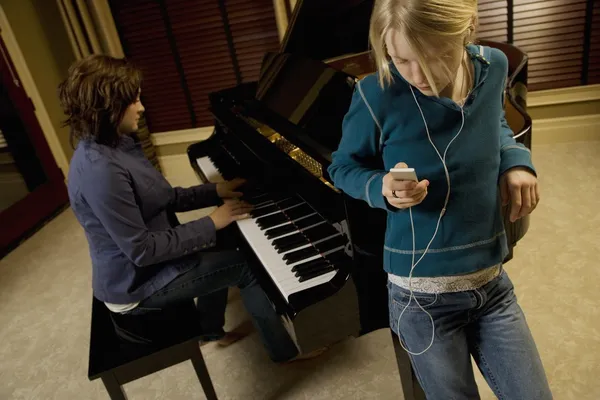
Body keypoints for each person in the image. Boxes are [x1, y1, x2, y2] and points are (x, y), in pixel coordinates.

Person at [328, 0, 552, 398]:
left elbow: (496, 123)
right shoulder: (374, 93)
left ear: (465, 31)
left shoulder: (494, 65)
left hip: (492, 283)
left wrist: (517, 160)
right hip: (420, 299)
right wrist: (381, 186)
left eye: (435, 57)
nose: (419, 75)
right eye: (401, 59)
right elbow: (342, 167)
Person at [59, 54, 299, 363]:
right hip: (136, 284)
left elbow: (162, 197)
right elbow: (143, 251)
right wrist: (212, 221)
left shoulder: (118, 143)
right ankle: (284, 353)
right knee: (247, 267)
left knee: (234, 240)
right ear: (108, 106)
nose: (142, 107)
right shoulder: (99, 170)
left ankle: (210, 330)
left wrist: (215, 190)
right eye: (133, 100)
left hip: (150, 259)